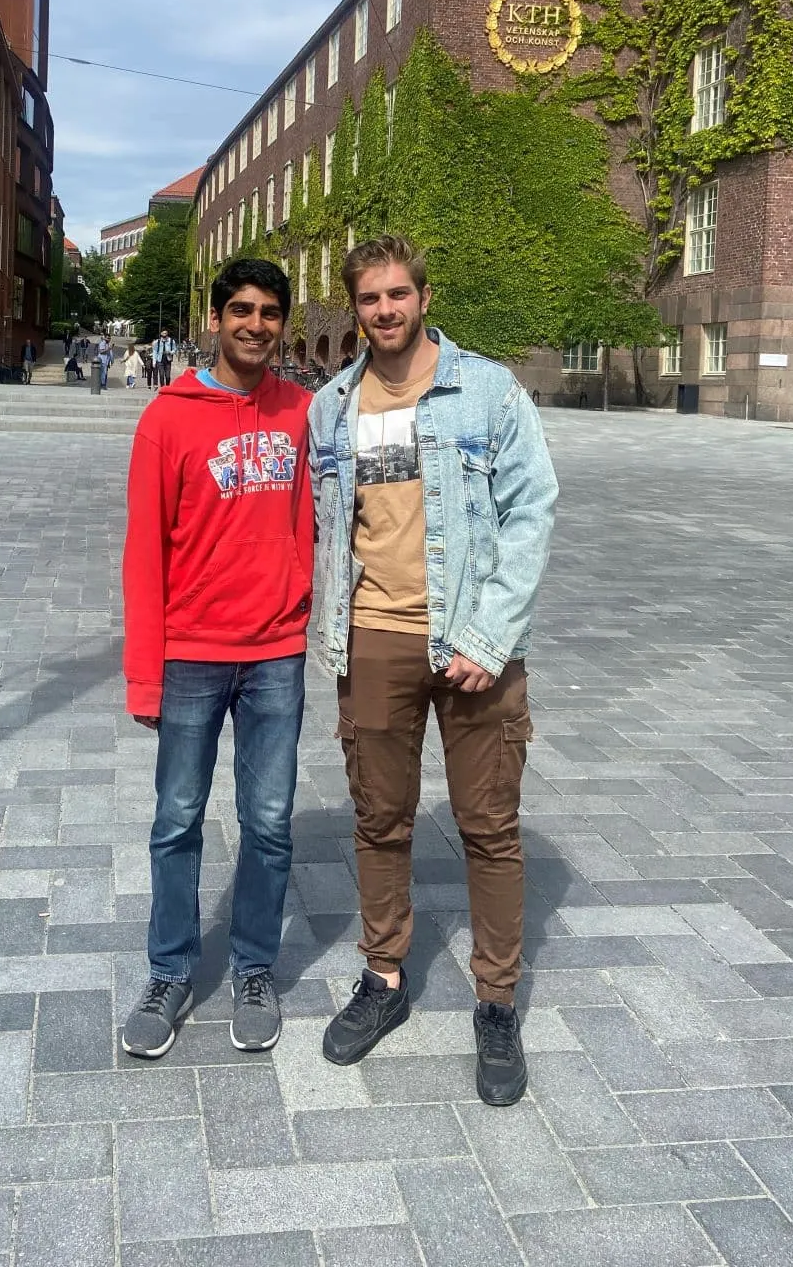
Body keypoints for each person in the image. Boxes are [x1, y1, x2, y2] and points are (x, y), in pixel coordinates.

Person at [308, 234, 557, 1106]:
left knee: (489, 827)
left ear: (423, 296)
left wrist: (489, 638)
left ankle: (496, 999)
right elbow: (325, 526)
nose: (385, 310)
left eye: (398, 295)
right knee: (381, 819)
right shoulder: (332, 404)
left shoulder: (485, 389)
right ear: (355, 305)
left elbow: (533, 509)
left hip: (472, 639)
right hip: (373, 636)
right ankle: (384, 978)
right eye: (370, 298)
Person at [120, 259, 313, 1061]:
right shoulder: (168, 418)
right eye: (242, 309)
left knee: (268, 824)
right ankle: (169, 972)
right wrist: (143, 670)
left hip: (276, 651)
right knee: (177, 821)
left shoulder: (304, 412)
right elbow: (142, 552)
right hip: (192, 654)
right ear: (214, 315)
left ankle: (254, 968)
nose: (256, 325)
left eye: (270, 312)